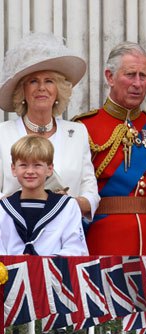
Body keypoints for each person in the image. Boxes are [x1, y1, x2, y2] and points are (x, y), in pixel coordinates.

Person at [73, 42, 146, 255]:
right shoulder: (82, 127)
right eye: (130, 74)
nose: (137, 83)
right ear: (110, 77)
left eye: (143, 76)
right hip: (100, 241)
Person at [0, 32, 99, 222]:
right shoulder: (3, 134)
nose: (41, 88)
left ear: (58, 90)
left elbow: (91, 193)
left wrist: (66, 206)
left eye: (49, 81)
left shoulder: (77, 132)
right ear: (22, 91)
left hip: (65, 231)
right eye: (33, 81)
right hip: (12, 233)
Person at [0, 135, 88, 255]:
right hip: (10, 272)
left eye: (37, 165)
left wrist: (41, 265)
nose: (30, 171)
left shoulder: (67, 206)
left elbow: (76, 250)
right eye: (23, 165)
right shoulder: (3, 208)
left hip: (54, 272)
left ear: (50, 169)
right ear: (13, 169)